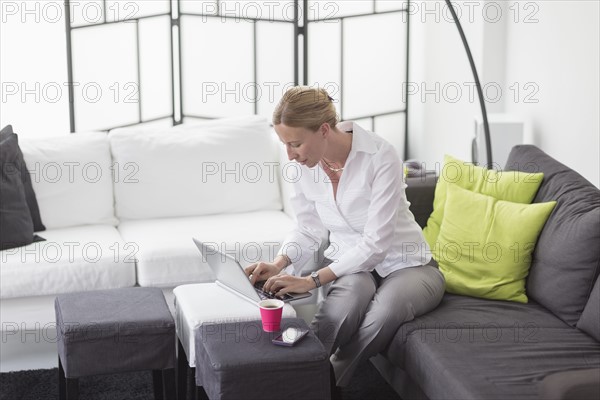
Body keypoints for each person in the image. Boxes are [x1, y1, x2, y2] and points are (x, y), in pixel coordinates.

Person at [245, 86, 445, 387]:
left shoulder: (380, 156)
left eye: (296, 144)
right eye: (285, 145)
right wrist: (279, 263)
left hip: (409, 265)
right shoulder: (302, 167)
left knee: (386, 310)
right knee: (344, 305)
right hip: (354, 266)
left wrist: (311, 280)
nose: (290, 155)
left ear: (324, 130)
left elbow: (376, 244)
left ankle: (320, 384)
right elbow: (307, 227)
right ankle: (293, 371)